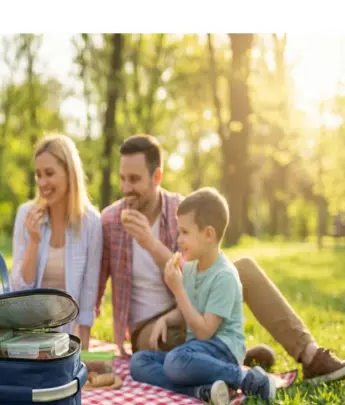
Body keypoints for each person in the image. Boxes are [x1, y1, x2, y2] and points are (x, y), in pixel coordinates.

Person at [97, 134, 345, 383]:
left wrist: (151, 245)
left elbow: (206, 269)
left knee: (243, 269)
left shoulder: (182, 210)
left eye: (135, 179)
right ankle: (231, 359)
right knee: (168, 341)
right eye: (122, 179)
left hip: (190, 305)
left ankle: (311, 355)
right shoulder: (110, 220)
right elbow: (94, 284)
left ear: (157, 177)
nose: (126, 188)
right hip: (149, 326)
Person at [130, 188, 276, 405]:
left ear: (209, 234)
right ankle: (203, 391)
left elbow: (205, 332)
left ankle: (247, 379)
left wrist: (177, 289)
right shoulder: (190, 269)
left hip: (222, 349)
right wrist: (165, 320)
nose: (179, 240)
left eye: (185, 232)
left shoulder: (224, 275)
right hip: (197, 351)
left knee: (175, 361)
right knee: (139, 362)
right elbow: (186, 310)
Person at [10, 133, 102, 351]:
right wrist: (34, 241)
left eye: (49, 173)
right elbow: (18, 288)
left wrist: (84, 351)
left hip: (63, 333)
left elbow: (88, 296)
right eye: (38, 175)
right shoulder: (26, 214)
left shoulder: (91, 223)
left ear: (70, 173)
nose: (42, 183)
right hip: (25, 328)